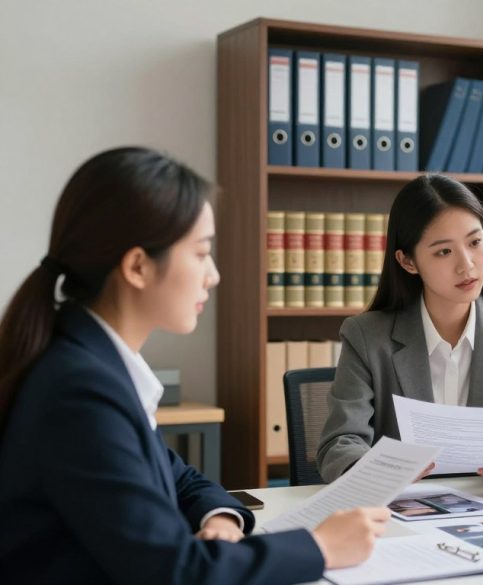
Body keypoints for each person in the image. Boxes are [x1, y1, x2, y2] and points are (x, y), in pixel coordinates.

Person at [0, 147, 390, 584]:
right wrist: (321, 548)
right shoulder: (80, 392)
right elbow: (174, 572)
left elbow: (180, 477)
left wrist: (221, 518)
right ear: (137, 266)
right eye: (202, 252)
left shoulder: (92, 363)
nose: (214, 274)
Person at [317, 174, 483, 488]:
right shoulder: (367, 335)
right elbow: (340, 444)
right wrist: (383, 471)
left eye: (475, 242)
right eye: (444, 252)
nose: (467, 266)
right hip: (401, 507)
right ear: (408, 261)